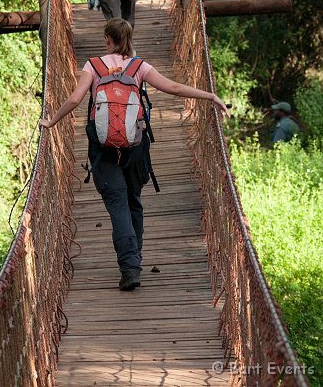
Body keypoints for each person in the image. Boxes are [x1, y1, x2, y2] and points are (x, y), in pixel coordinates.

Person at [40, 18, 230, 292]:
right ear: (129, 38)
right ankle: (134, 260)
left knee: (118, 205)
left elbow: (74, 100)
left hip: (103, 148)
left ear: (107, 39)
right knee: (133, 201)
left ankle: (129, 268)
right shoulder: (139, 67)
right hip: (135, 146)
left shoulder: (93, 66)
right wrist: (210, 96)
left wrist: (51, 122)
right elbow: (174, 88)